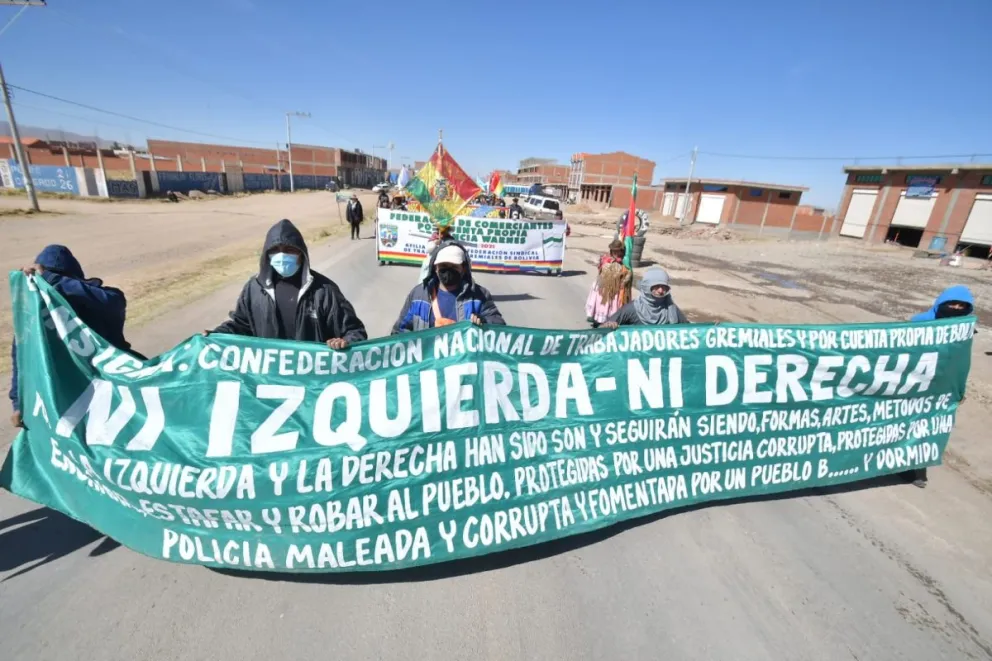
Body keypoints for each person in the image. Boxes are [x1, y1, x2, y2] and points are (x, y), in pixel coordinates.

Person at [9, 245, 139, 428]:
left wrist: (53, 280)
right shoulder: (35, 315)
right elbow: (22, 358)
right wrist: (18, 403)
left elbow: (112, 302)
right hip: (65, 398)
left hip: (113, 388)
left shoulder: (99, 298)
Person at [208, 219, 367, 349]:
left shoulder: (324, 291)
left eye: (289, 249)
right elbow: (241, 326)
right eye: (276, 249)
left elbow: (355, 332)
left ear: (301, 254)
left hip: (312, 382)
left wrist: (345, 342)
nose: (282, 255)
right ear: (267, 254)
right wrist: (216, 335)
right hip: (269, 380)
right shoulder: (254, 289)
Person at [904, 285, 975, 488]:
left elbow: (961, 364)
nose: (955, 308)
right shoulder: (919, 322)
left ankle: (918, 471)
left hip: (940, 388)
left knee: (929, 428)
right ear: (940, 304)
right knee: (902, 423)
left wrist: (960, 389)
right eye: (951, 304)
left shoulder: (964, 330)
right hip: (913, 383)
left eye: (961, 305)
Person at [392, 242, 505, 333]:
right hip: (428, 361)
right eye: (444, 266)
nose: (448, 270)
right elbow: (400, 332)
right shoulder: (418, 295)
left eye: (454, 267)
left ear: (464, 268)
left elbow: (500, 328)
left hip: (463, 361)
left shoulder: (479, 295)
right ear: (435, 267)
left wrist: (485, 323)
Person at [601, 267, 688, 328]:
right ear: (647, 286)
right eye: (656, 286)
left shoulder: (670, 308)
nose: (661, 291)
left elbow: (689, 329)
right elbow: (603, 329)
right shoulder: (632, 309)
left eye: (664, 286)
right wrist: (609, 325)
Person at [585, 240, 632, 327]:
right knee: (602, 303)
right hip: (604, 288)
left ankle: (611, 319)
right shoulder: (606, 261)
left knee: (613, 305)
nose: (617, 253)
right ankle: (599, 319)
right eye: (615, 251)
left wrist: (626, 277)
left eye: (620, 251)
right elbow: (602, 270)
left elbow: (626, 277)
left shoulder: (625, 265)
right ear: (612, 251)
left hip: (616, 289)